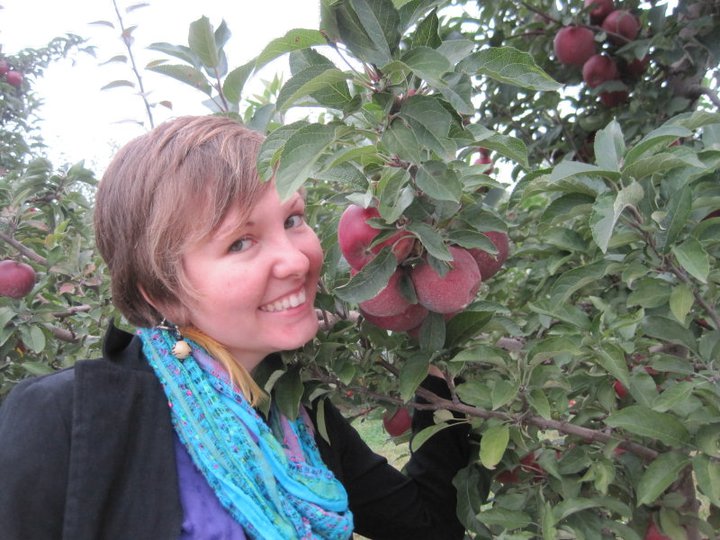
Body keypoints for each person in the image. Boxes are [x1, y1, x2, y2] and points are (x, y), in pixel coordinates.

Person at [0, 115, 472, 539]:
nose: (295, 260)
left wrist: (432, 362)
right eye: (240, 243)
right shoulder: (66, 418)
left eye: (293, 219)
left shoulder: (296, 409)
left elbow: (426, 525)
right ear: (161, 292)